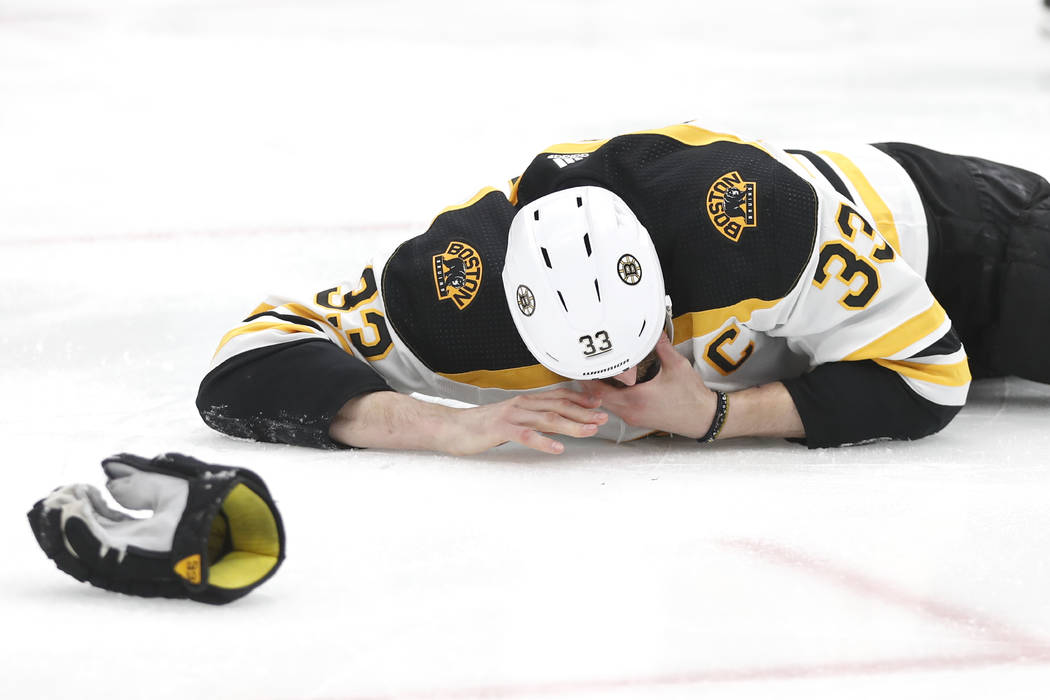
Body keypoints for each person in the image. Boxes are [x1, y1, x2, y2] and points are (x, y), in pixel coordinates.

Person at [196, 123, 1050, 455]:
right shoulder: (455, 297)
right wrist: (449, 427)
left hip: (957, 242)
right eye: (588, 370)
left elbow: (931, 376)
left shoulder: (752, 231)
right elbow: (246, 364)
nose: (619, 392)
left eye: (640, 358)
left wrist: (716, 417)